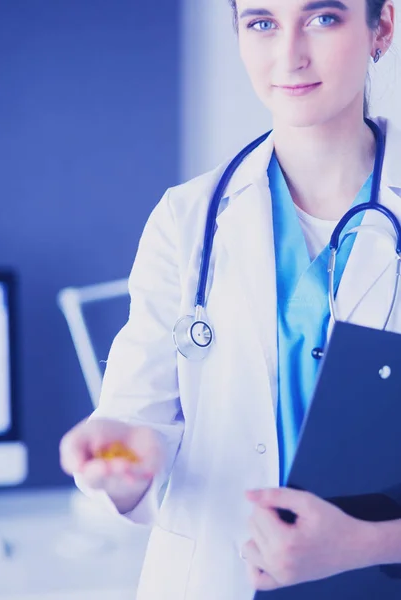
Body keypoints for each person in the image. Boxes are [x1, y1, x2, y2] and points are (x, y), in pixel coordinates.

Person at [59, 1, 401, 598]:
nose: (288, 54)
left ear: (382, 27)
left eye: (322, 18)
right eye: (262, 23)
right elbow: (137, 425)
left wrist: (363, 544)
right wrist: (125, 458)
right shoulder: (186, 220)